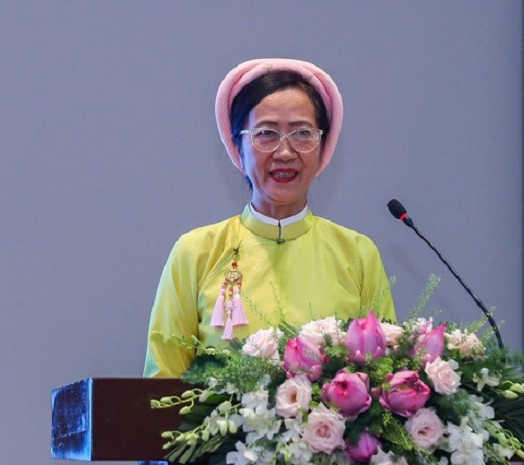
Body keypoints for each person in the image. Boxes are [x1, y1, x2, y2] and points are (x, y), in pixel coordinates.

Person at [143, 58, 395, 378]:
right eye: (266, 134)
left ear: (323, 147)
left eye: (302, 133)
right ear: (238, 146)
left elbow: (386, 375)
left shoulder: (357, 254)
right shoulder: (196, 252)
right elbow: (161, 382)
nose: (285, 152)